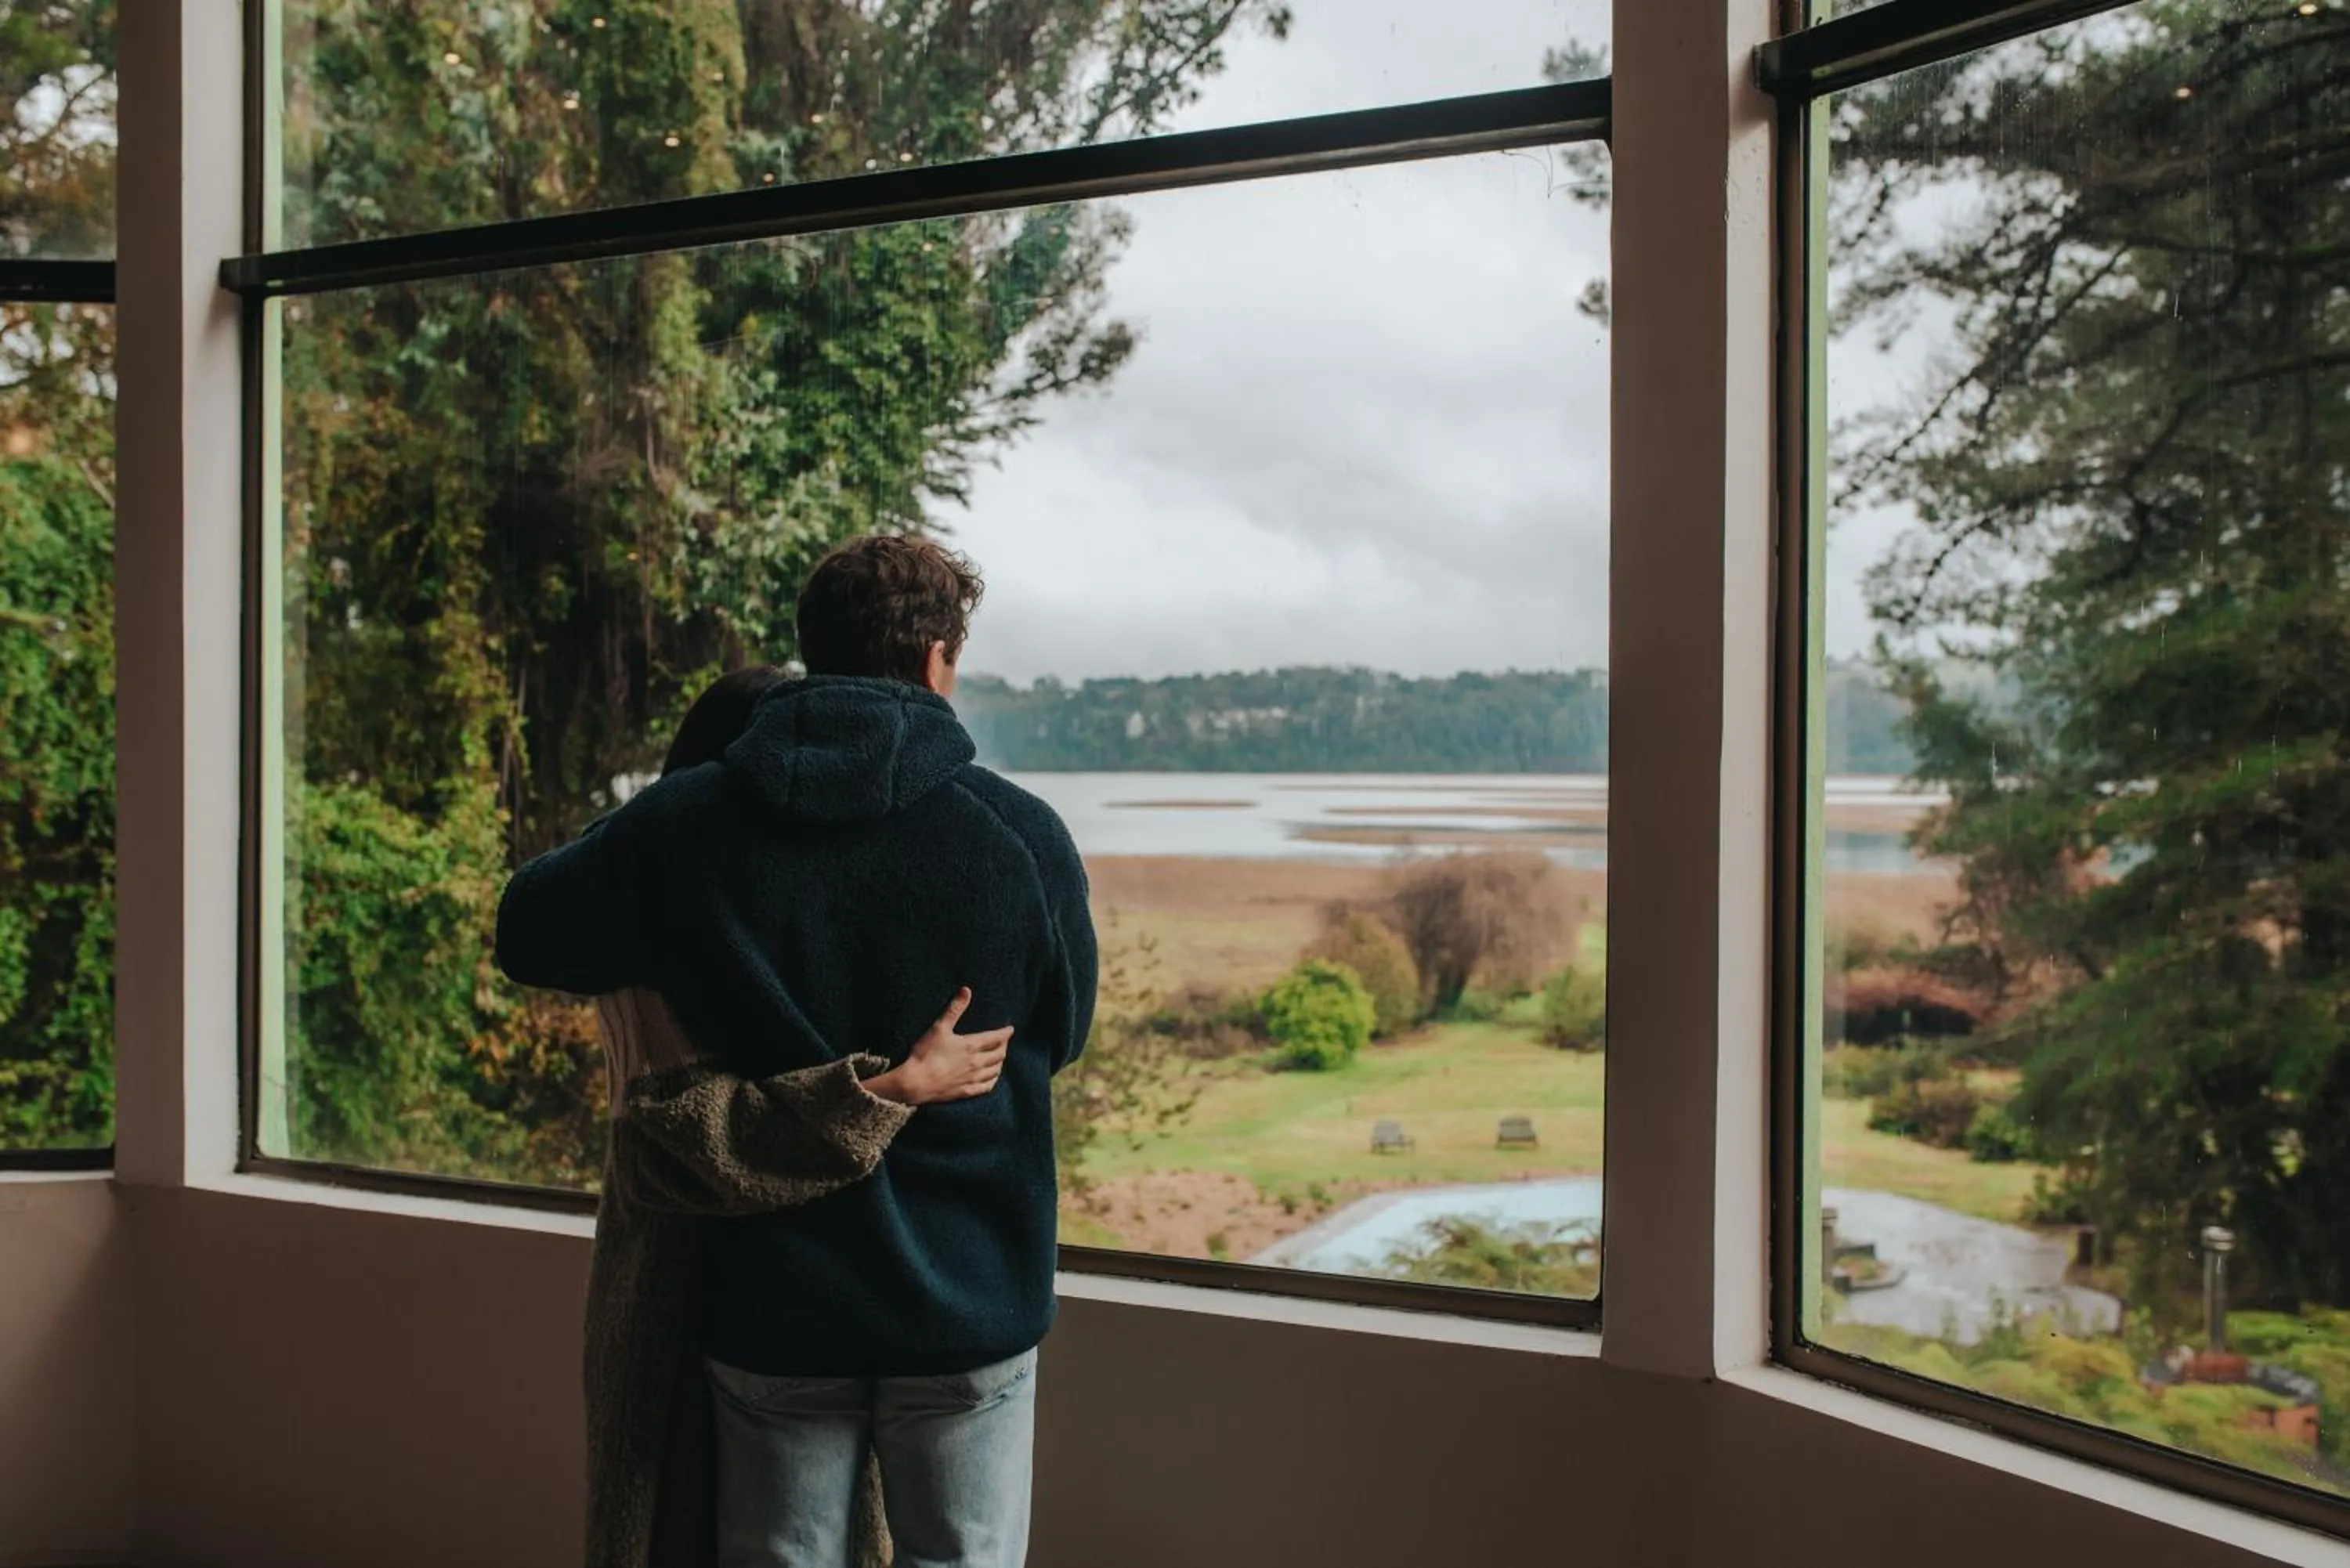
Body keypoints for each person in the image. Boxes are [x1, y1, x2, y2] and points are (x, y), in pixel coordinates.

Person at [497, 535, 1097, 1568]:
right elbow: (1066, 1029)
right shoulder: (1019, 834)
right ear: (940, 658)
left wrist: (674, 807)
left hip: (773, 1297)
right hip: (965, 1300)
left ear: (813, 652)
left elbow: (530, 928)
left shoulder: (689, 820)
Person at [577, 664, 1012, 1568]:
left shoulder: (714, 902)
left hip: (773, 1283)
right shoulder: (661, 935)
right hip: (684, 1280)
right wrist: (889, 1090)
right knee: (681, 1527)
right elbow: (677, 1140)